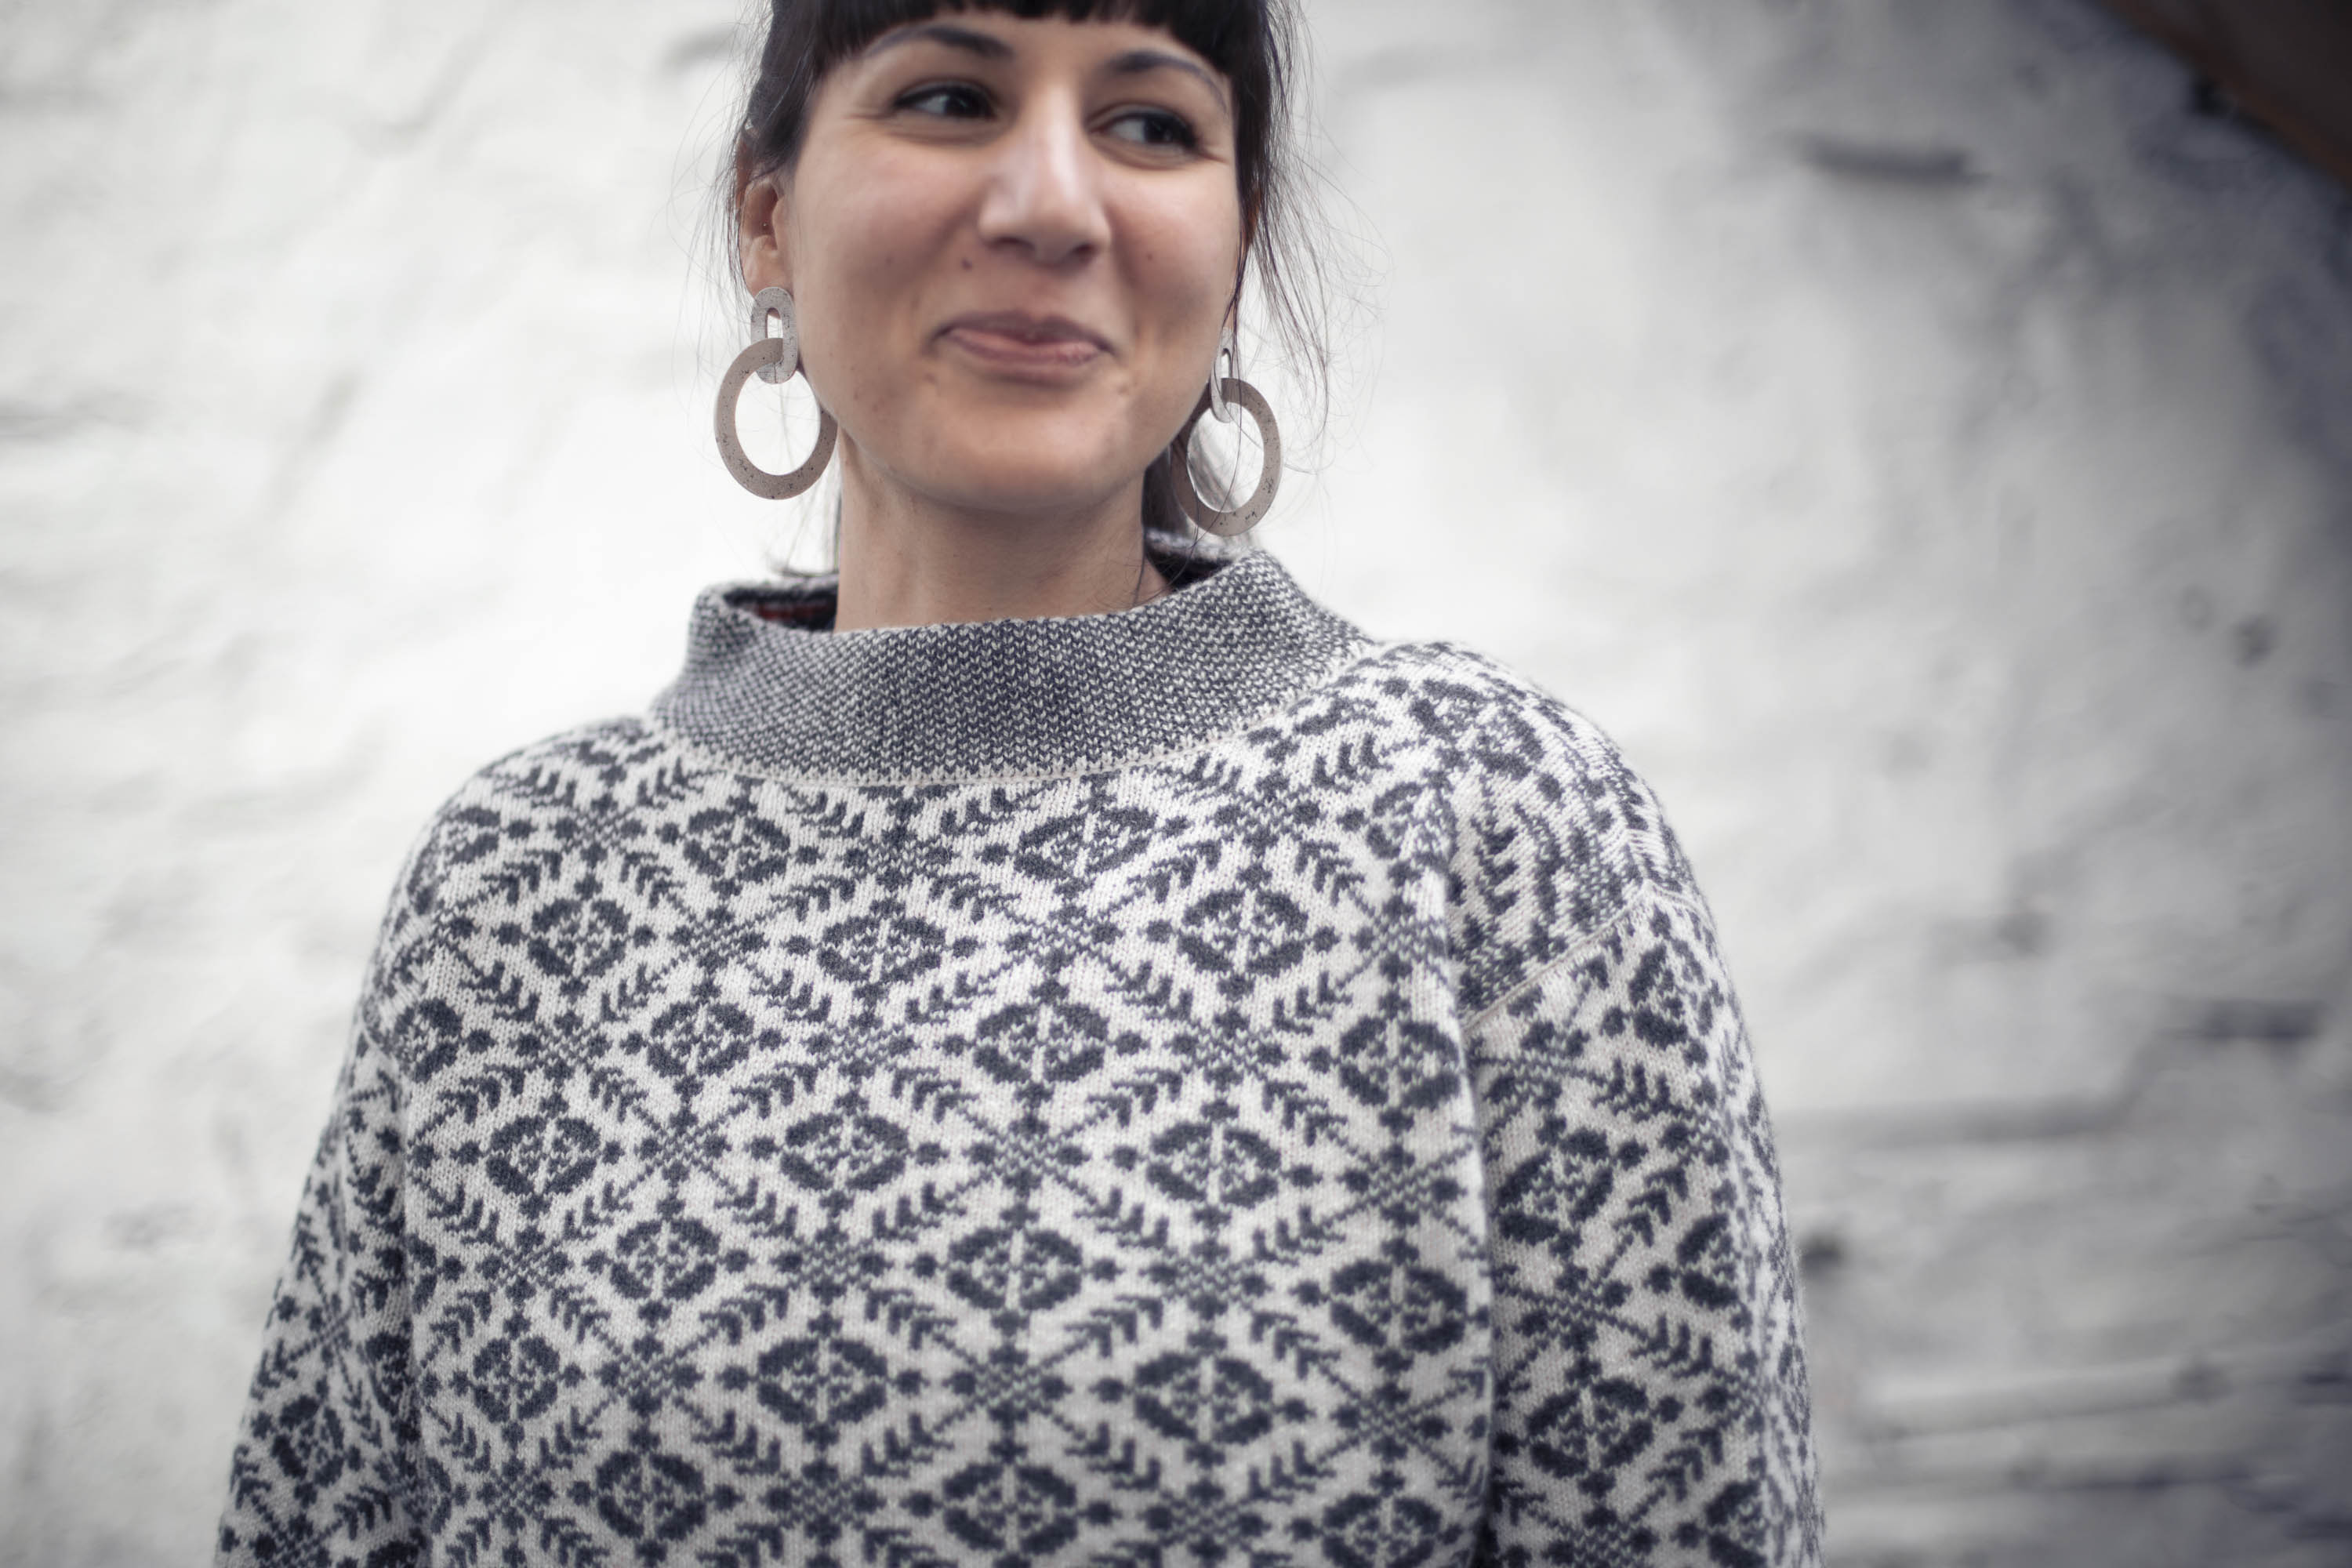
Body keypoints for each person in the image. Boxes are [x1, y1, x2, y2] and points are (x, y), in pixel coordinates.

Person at [215, 1, 1821, 1563]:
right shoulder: (520, 885)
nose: (1054, 203)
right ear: (765, 219)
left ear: (1236, 242)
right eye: (948, 96)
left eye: (1148, 121)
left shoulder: (1491, 825)